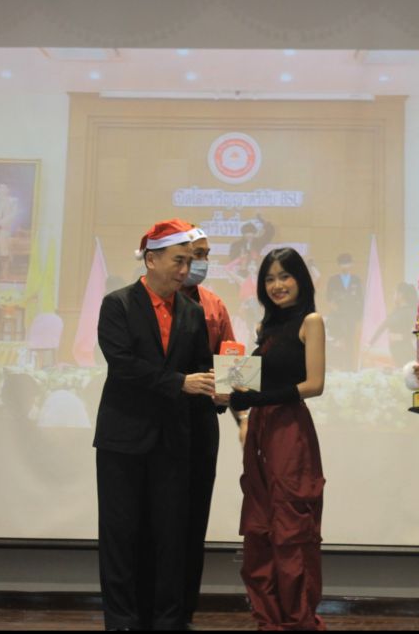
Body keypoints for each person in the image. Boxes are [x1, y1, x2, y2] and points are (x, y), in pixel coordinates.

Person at [94, 219, 216, 630]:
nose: (186, 270)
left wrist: (223, 387)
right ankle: (122, 620)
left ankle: (168, 620)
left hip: (173, 441)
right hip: (122, 438)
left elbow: (202, 367)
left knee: (171, 537)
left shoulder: (192, 312)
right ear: (151, 259)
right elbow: (123, 365)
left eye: (190, 262)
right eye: (179, 261)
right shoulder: (118, 304)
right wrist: (180, 382)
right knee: (120, 535)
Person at [225, 247, 327, 630]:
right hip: (260, 431)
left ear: (300, 279)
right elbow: (244, 385)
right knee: (260, 526)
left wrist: (257, 399)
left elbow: (314, 384)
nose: (277, 285)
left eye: (285, 276)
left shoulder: (310, 321)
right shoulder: (264, 328)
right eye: (269, 278)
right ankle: (268, 620)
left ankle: (298, 621)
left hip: (290, 430)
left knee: (291, 526)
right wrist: (231, 395)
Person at [178, 225, 240, 622]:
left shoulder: (214, 304)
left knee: (193, 519)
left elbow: (235, 368)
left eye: (204, 255)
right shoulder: (145, 303)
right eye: (193, 255)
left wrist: (242, 411)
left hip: (201, 422)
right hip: (157, 421)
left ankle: (184, 612)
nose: (200, 263)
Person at [326, 253, 364, 370]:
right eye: (343, 264)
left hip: (351, 316)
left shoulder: (356, 280)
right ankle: (339, 366)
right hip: (337, 316)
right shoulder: (333, 280)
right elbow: (329, 298)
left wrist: (359, 317)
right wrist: (334, 309)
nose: (345, 266)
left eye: (347, 263)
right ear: (339, 265)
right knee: (338, 340)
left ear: (351, 264)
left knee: (350, 341)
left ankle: (350, 367)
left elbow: (360, 299)